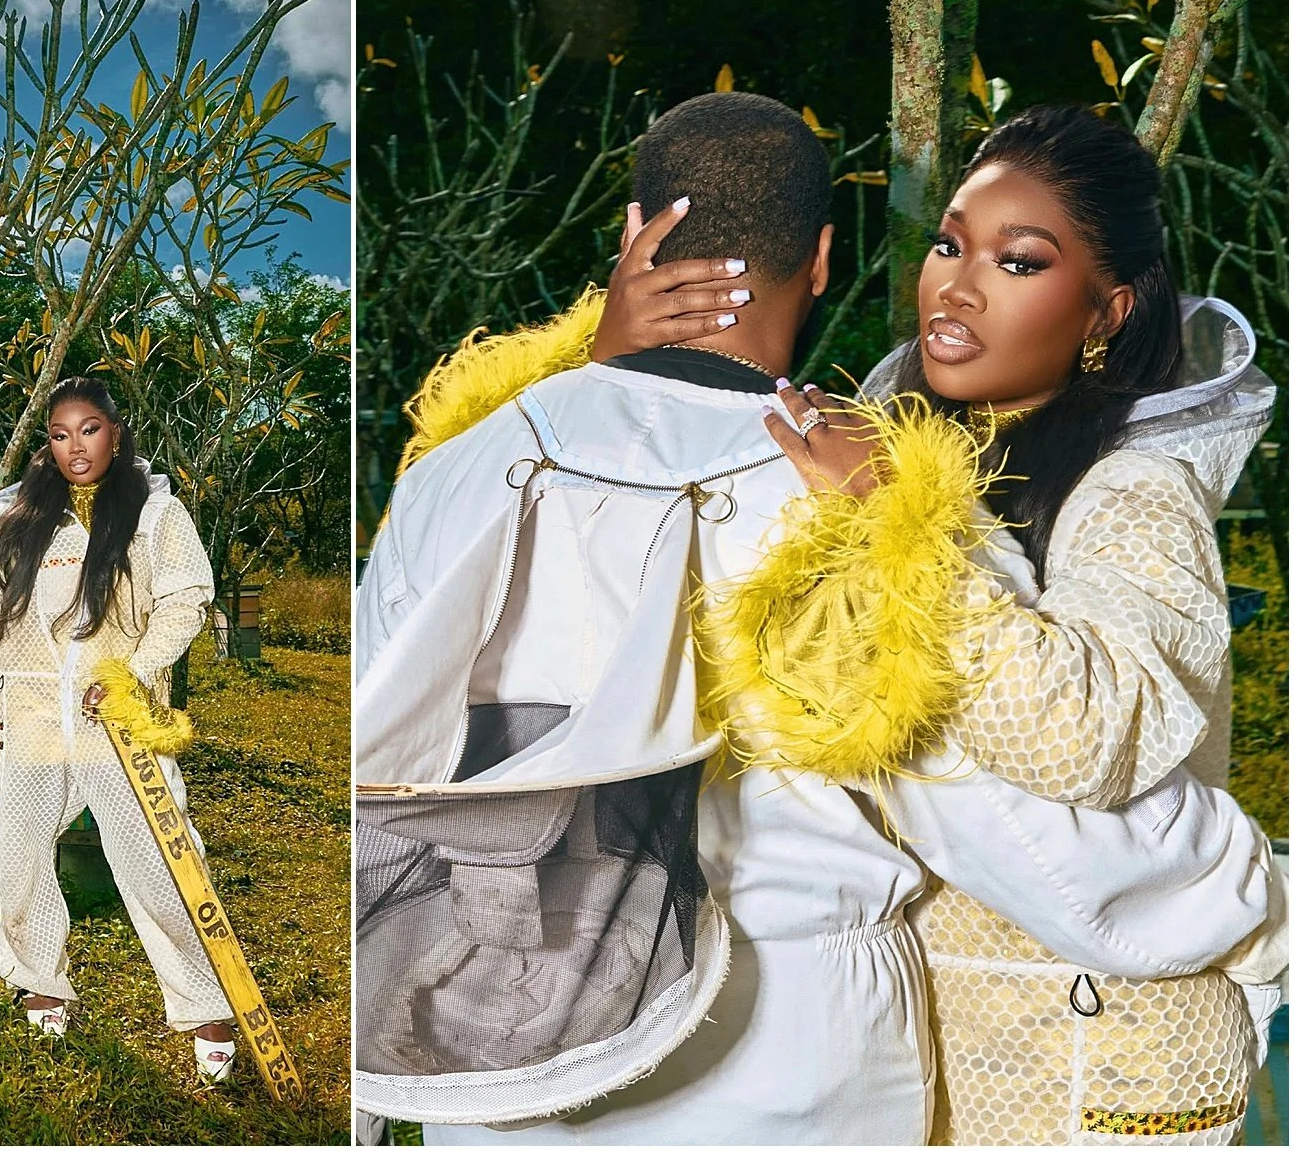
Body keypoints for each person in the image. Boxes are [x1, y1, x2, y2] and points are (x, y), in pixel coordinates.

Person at [354, 93, 1281, 1143]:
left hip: (485, 1044)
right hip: (788, 1051)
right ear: (826, 257)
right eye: (948, 246)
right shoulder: (863, 491)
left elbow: (379, 766)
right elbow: (1034, 837)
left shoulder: (452, 474)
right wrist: (1254, 911)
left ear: (629, 236)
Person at [0, 377, 239, 1083]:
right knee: (17, 854)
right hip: (34, 718)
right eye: (58, 434)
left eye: (88, 429)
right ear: (45, 446)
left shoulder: (155, 515)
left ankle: (205, 1003)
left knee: (156, 863)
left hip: (119, 720)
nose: (74, 447)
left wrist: (131, 672)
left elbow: (184, 603)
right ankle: (40, 980)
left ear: (114, 431)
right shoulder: (20, 522)